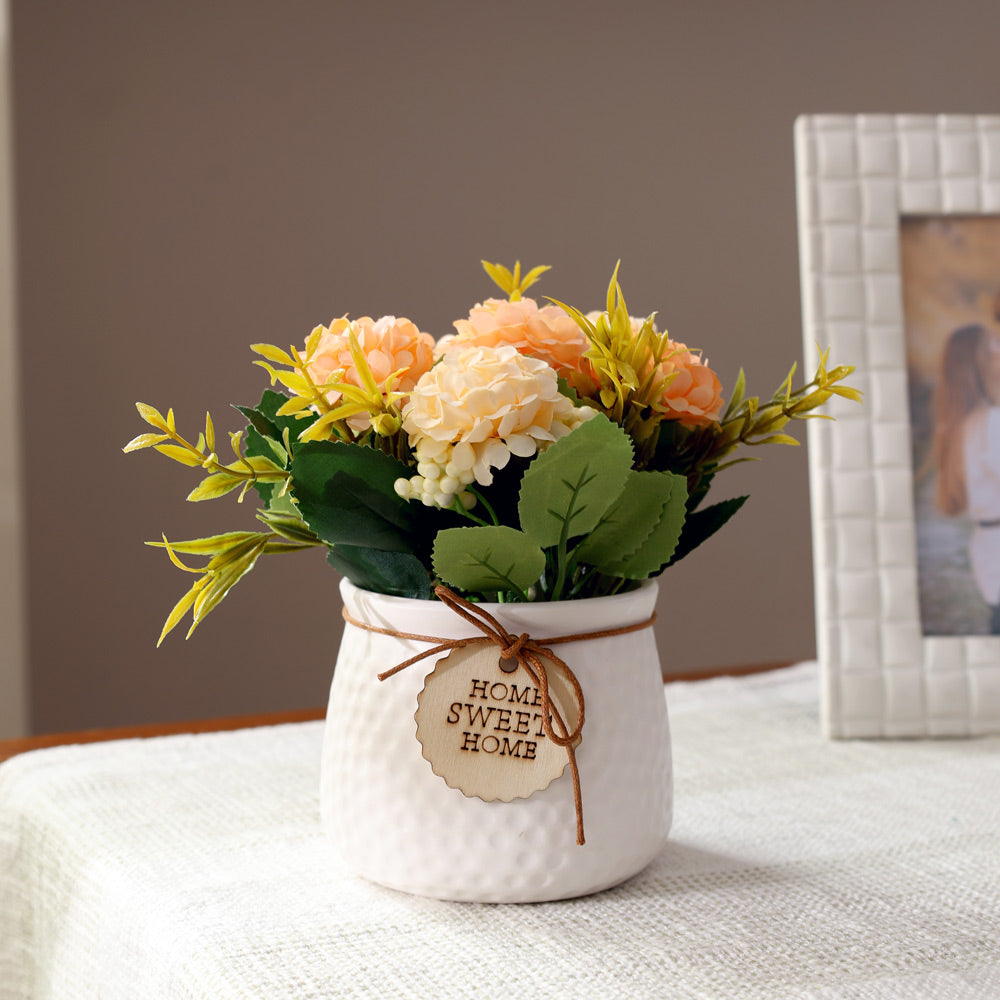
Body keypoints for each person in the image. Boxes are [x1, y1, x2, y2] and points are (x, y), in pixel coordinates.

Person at [932, 323, 1000, 633]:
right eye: (994, 346)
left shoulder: (964, 424)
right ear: (982, 362)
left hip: (988, 552)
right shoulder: (991, 422)